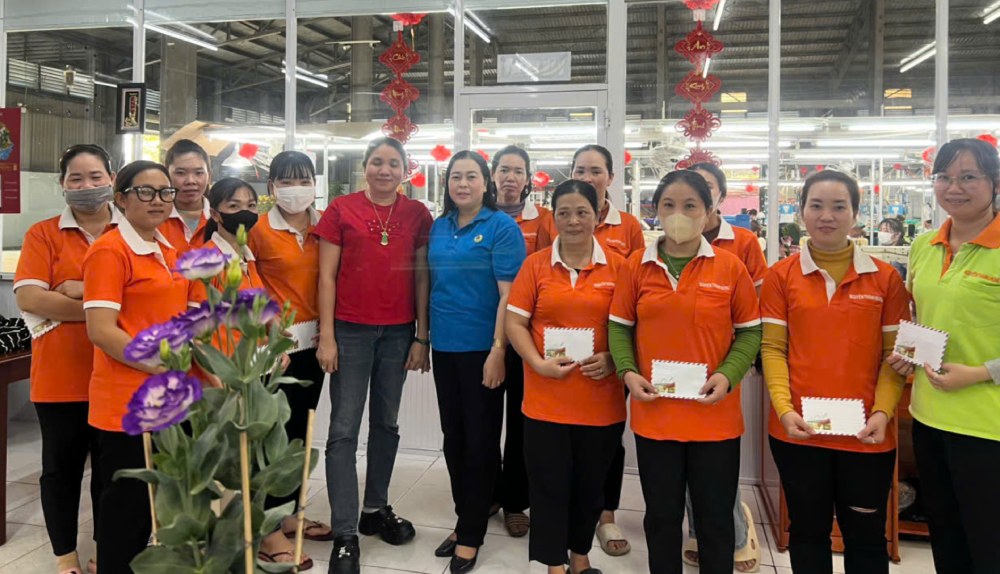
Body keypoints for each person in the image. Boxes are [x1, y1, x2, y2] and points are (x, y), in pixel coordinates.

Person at [609, 170, 761, 574]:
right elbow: (619, 326)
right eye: (668, 205)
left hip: (715, 417)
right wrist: (627, 371)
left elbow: (750, 332)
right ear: (655, 211)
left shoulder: (730, 268)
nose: (679, 214)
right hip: (655, 414)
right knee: (661, 518)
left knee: (714, 520)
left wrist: (728, 374)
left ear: (709, 212)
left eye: (690, 206)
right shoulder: (635, 267)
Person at [760, 170, 910, 574]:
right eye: (817, 205)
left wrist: (882, 413)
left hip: (867, 435)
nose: (827, 216)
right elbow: (773, 349)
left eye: (839, 206)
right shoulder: (781, 276)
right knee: (807, 533)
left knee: (865, 538)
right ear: (801, 211)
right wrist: (783, 408)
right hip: (798, 431)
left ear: (855, 214)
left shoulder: (885, 278)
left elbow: (893, 358)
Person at [314, 137, 432, 574]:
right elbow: (326, 276)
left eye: (393, 163)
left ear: (406, 170)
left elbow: (422, 276)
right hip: (350, 331)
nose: (385, 170)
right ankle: (345, 532)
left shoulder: (418, 214)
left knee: (387, 423)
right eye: (377, 162)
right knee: (343, 429)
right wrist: (327, 337)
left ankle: (374, 509)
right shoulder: (341, 210)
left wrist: (422, 334)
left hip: (399, 333)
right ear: (365, 167)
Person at [82, 160, 201, 574]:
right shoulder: (109, 251)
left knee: (158, 508)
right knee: (125, 514)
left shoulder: (167, 250)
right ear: (120, 199)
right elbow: (101, 330)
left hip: (167, 399)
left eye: (164, 192)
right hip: (125, 407)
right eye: (145, 192)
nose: (158, 200)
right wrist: (160, 365)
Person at [888, 138, 1000, 574]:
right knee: (948, 539)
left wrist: (979, 373)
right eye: (944, 177)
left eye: (969, 177)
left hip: (987, 426)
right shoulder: (924, 246)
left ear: (994, 183)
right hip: (929, 417)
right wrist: (906, 352)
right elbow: (919, 316)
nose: (954, 187)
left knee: (988, 545)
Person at [505, 180, 626, 574]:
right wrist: (536, 363)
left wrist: (613, 358)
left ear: (598, 215)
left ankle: (580, 556)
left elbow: (635, 329)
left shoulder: (621, 268)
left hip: (601, 403)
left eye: (582, 212)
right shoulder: (536, 265)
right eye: (563, 213)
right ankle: (554, 563)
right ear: (553, 216)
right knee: (549, 487)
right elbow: (515, 322)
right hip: (545, 401)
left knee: (590, 488)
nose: (573, 221)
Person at [14, 144, 119, 574]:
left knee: (113, 473)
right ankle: (65, 556)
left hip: (116, 375)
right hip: (59, 376)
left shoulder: (130, 232)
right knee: (61, 471)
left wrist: (77, 292)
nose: (87, 186)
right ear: (62, 185)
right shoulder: (43, 233)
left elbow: (149, 297)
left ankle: (104, 548)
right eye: (76, 179)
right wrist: (107, 306)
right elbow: (30, 296)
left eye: (95, 177)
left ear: (112, 178)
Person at [538, 144, 645, 556]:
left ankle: (604, 516)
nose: (586, 176)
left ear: (611, 178)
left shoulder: (629, 227)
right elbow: (545, 279)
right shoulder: (557, 219)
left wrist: (619, 356)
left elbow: (639, 295)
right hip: (559, 357)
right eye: (579, 169)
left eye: (595, 170)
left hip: (607, 358)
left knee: (606, 442)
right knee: (559, 445)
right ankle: (563, 524)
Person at [428, 151, 526, 573]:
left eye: (471, 176)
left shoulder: (502, 228)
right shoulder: (439, 226)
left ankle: (470, 534)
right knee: (454, 437)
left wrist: (498, 350)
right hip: (444, 347)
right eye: (455, 177)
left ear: (486, 183)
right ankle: (469, 511)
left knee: (481, 439)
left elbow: (510, 297)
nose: (462, 183)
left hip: (483, 349)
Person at [247, 151, 329, 570]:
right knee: (272, 436)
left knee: (301, 432)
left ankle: (292, 513)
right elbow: (245, 284)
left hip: (316, 345)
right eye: (287, 180)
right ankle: (267, 528)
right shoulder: (257, 231)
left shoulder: (326, 227)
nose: (296, 188)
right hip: (274, 351)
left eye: (304, 180)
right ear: (271, 187)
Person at [682, 162, 764, 572]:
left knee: (717, 462)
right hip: (680, 366)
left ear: (718, 196)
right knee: (680, 453)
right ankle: (696, 530)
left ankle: (732, 530)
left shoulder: (743, 242)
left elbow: (756, 309)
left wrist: (740, 361)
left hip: (727, 363)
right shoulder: (667, 243)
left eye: (706, 189)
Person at [489, 145, 545, 538]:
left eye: (518, 171)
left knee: (522, 420)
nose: (510, 177)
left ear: (528, 180)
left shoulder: (543, 222)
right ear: (492, 175)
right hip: (485, 331)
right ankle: (488, 491)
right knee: (484, 419)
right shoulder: (480, 216)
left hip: (527, 333)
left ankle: (515, 500)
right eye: (504, 169)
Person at [201, 177, 263, 292]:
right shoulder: (206, 262)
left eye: (251, 205)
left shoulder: (248, 259)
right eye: (234, 206)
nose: (245, 212)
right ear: (214, 214)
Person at [159, 139, 212, 252]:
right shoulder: (155, 217)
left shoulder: (220, 219)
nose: (190, 181)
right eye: (180, 173)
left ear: (209, 176)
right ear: (166, 175)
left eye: (199, 173)